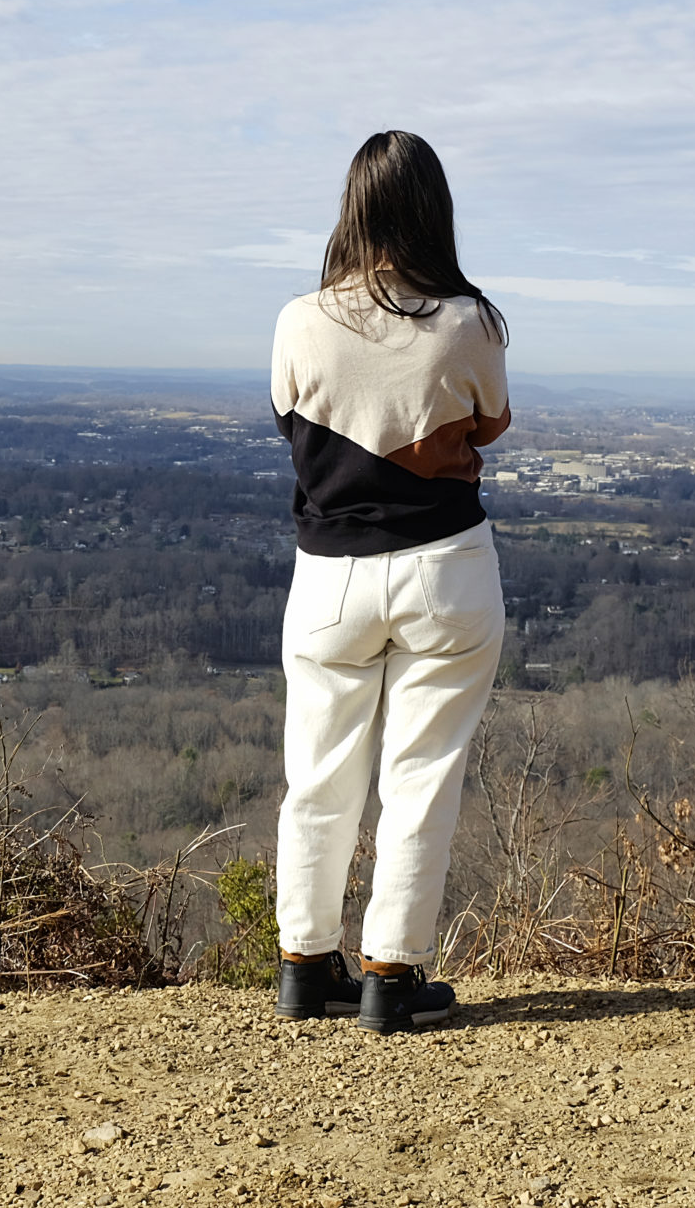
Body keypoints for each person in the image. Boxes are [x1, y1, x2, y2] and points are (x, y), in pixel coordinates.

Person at [267, 130, 511, 1034]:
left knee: (318, 773)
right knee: (420, 777)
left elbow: (290, 418)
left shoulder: (299, 319)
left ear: (352, 209)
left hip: (328, 577)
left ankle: (304, 964)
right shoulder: (470, 321)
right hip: (445, 571)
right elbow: (491, 423)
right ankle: (390, 976)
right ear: (432, 211)